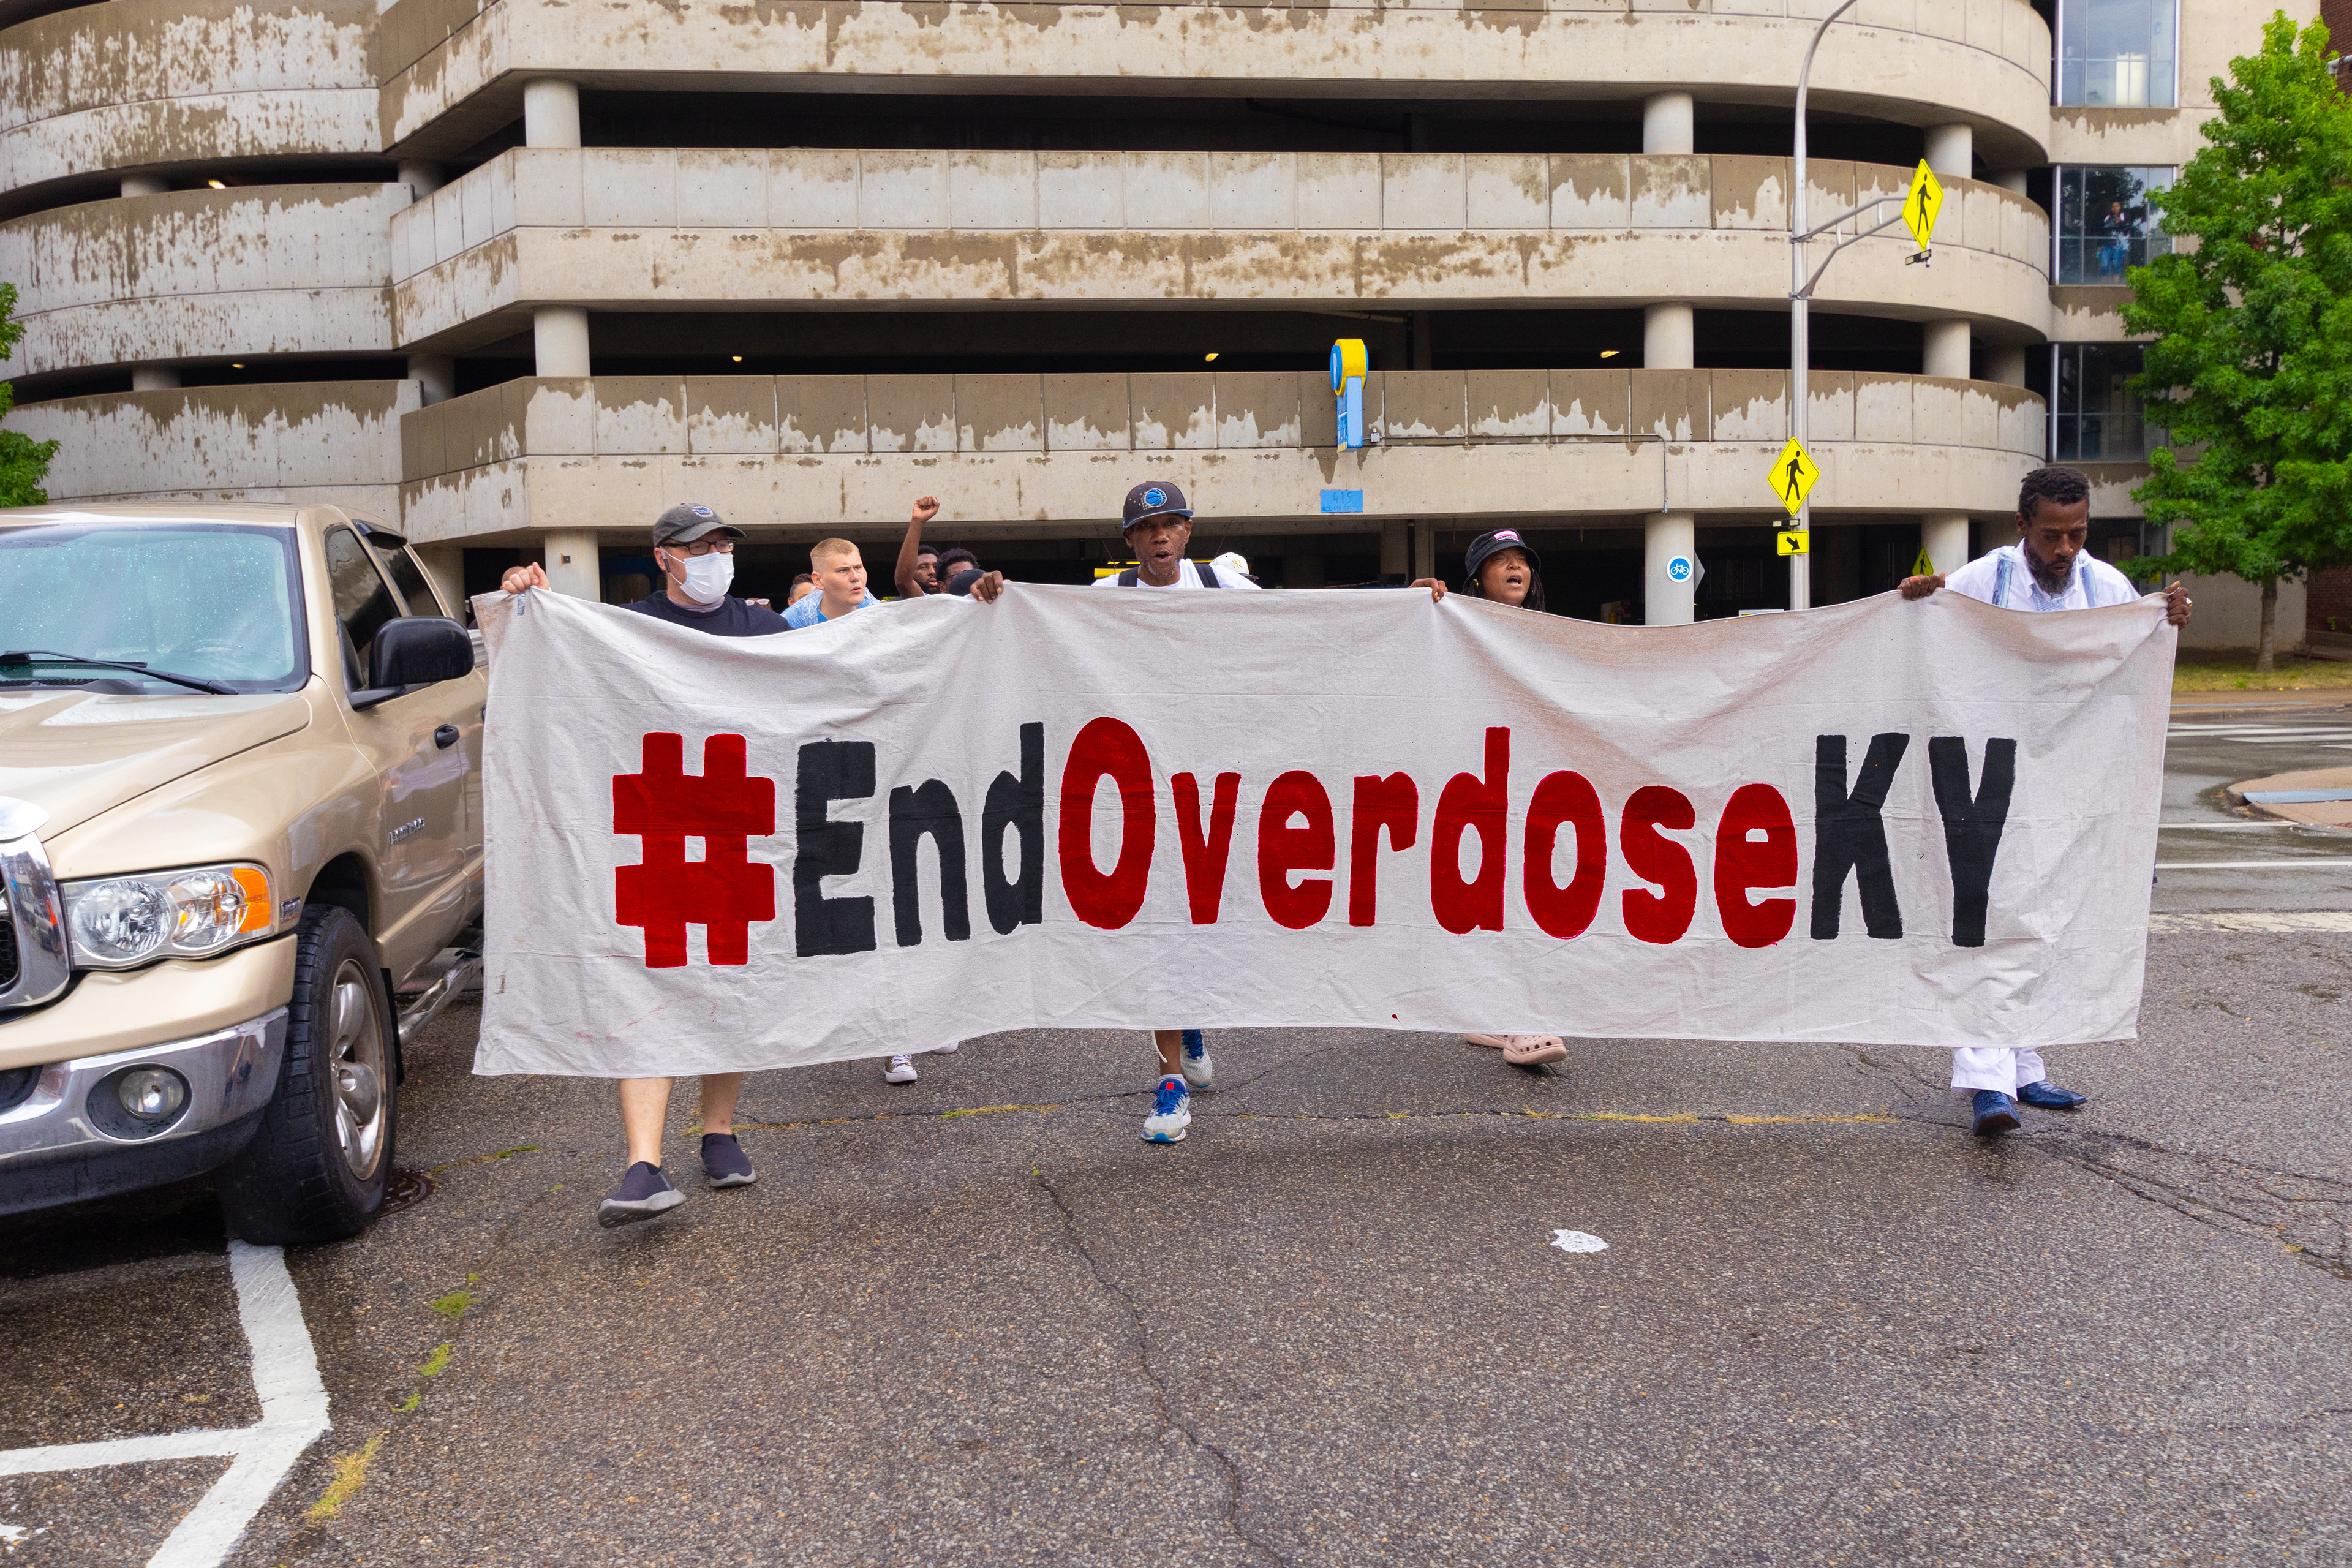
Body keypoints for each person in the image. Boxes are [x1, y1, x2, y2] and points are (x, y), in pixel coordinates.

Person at [497, 502, 785, 1225]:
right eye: (699, 545)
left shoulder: (763, 628)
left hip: (737, 833)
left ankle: (718, 1133)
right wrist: (522, 598)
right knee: (643, 977)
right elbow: (549, 662)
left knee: (731, 978)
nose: (716, 554)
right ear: (665, 556)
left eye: (724, 541)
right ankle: (642, 1163)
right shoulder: (626, 628)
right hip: (648, 832)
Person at [1900, 464, 2191, 1136]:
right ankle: (1985, 1082)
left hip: (2071, 781)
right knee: (1986, 916)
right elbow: (1931, 616)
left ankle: (2024, 1066)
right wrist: (1919, 594)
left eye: (2078, 535)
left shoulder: (2104, 584)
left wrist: (2168, 617)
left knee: (2049, 917)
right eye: (2053, 536)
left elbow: (2135, 653)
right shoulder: (1988, 577)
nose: (2066, 551)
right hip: (1994, 773)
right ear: (2022, 525)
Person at [786, 526, 1007, 1082]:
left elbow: (940, 630)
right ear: (818, 581)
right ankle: (845, 1021)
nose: (856, 577)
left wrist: (982, 602)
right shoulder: (789, 628)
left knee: (899, 899)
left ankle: (901, 1036)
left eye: (859, 568)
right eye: (844, 571)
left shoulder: (884, 616)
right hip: (822, 782)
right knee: (842, 905)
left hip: (891, 772)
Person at [1090, 481, 1257, 1142]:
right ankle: (1169, 1081)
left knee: (1209, 918)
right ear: (1129, 541)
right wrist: (987, 596)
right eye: (1147, 527)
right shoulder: (1106, 602)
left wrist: (1407, 604)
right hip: (1138, 790)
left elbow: (1320, 621)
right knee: (1155, 924)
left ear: (1189, 532)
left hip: (1218, 787)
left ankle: (1191, 1011)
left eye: (1172, 524)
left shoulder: (1224, 589)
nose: (1160, 536)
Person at [1418, 529, 1567, 1068]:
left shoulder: (1551, 633)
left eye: (1521, 562)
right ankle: (1510, 1016)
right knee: (1491, 894)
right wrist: (1417, 607)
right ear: (1477, 580)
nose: (1514, 570)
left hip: (1534, 784)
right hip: (1475, 784)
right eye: (1499, 563)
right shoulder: (1452, 621)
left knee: (1527, 892)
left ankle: (1513, 1012)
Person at [892, 496, 944, 598]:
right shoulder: (918, 599)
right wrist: (918, 521)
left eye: (936, 566)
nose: (932, 572)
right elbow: (903, 582)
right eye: (923, 567)